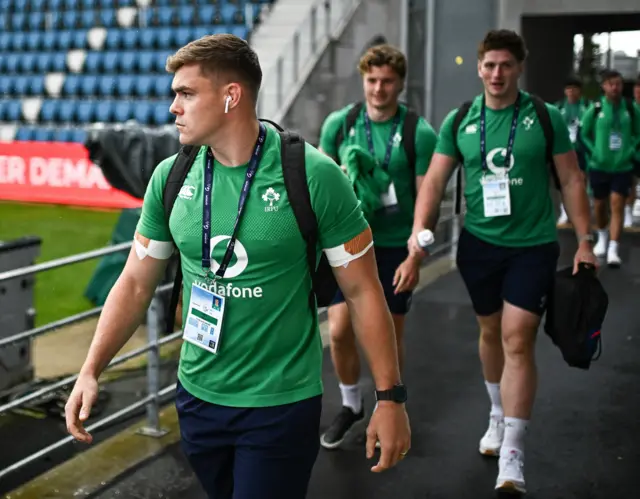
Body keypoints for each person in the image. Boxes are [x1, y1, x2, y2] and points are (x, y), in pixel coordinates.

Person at [64, 34, 411, 499]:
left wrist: (389, 398)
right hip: (197, 398)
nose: (173, 108)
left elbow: (364, 291)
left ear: (231, 96)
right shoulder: (171, 177)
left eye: (186, 93)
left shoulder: (313, 175)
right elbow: (133, 283)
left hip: (280, 403)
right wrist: (91, 368)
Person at [408, 30, 597, 496]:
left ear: (519, 68)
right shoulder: (460, 120)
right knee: (491, 332)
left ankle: (513, 448)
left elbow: (571, 179)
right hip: (479, 247)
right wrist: (419, 232)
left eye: (505, 66)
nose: (497, 74)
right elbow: (434, 180)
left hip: (532, 246)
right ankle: (496, 412)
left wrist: (585, 241)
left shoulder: (543, 117)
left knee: (517, 337)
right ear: (478, 68)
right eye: (489, 65)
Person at [317, 44, 438, 450]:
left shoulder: (418, 131)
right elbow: (320, 185)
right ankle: (351, 405)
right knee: (338, 330)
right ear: (363, 80)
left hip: (392, 246)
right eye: (372, 80)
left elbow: (427, 196)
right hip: (347, 245)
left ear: (400, 84)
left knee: (389, 333)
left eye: (387, 81)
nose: (379, 89)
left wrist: (415, 254)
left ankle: (391, 406)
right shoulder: (340, 124)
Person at [580, 69, 640, 266]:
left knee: (617, 203)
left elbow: (638, 133)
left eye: (618, 84)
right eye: (610, 84)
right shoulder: (596, 109)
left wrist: (631, 149)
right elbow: (584, 133)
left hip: (622, 166)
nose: (615, 88)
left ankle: (614, 247)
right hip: (599, 165)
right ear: (604, 86)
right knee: (599, 205)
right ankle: (602, 237)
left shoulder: (630, 108)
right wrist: (593, 152)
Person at [556, 75, 589, 225]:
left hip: (580, 149)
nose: (571, 92)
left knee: (581, 180)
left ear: (579, 91)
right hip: (563, 150)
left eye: (574, 89)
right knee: (563, 180)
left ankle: (581, 210)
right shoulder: (558, 107)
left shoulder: (587, 106)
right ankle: (565, 210)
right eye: (568, 89)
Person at [625, 77, 640, 225]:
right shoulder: (629, 108)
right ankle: (628, 210)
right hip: (634, 152)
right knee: (632, 183)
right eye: (636, 91)